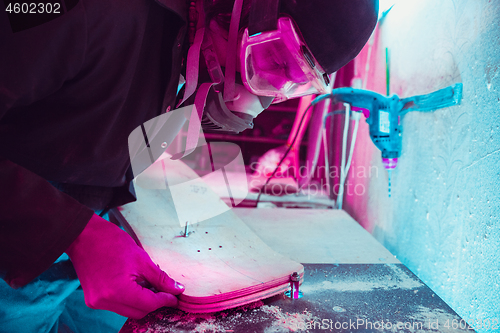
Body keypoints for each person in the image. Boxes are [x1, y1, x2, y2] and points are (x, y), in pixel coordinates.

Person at [0, 0, 378, 331]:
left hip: (89, 223)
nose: (269, 89)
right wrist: (76, 235)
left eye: (293, 84)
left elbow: (120, 125)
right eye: (278, 60)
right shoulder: (85, 11)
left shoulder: (190, 41)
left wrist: (213, 110)